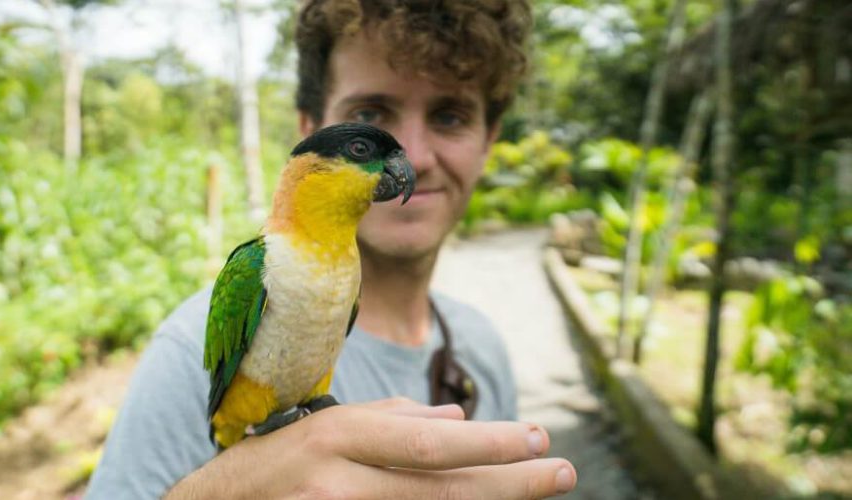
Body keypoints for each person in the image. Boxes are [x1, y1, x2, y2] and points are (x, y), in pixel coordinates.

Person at [86, 0, 578, 498]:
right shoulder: (190, 342)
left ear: (489, 139)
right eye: (369, 117)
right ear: (308, 128)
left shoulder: (483, 347)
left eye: (449, 116)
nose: (415, 157)